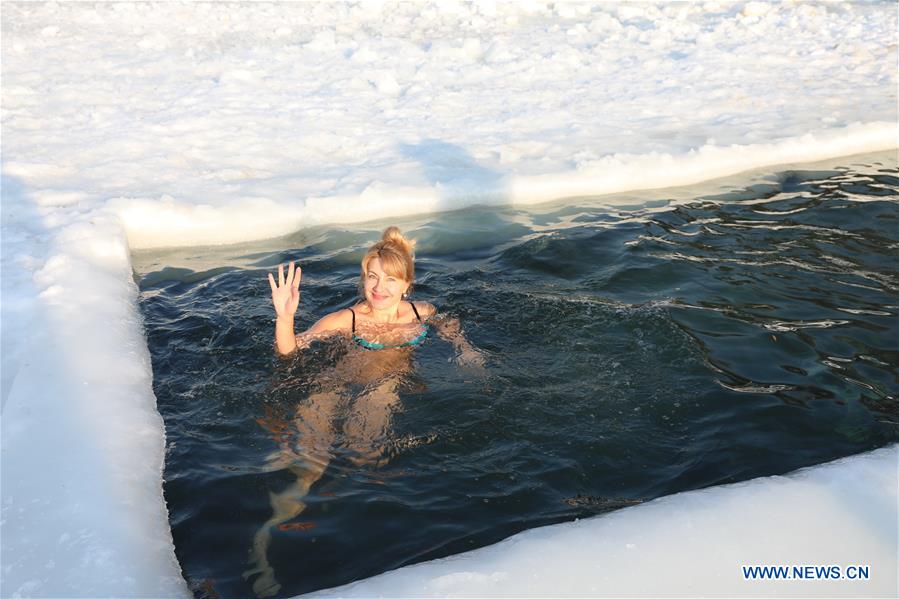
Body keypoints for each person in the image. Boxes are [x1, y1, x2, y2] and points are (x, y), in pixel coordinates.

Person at [245, 226, 483, 597]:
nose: (379, 287)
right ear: (362, 280)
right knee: (310, 465)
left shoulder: (422, 312)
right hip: (331, 387)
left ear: (407, 284)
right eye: (371, 276)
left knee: (364, 451)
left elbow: (449, 327)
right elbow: (291, 352)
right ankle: (263, 542)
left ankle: (348, 539)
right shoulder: (345, 319)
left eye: (389, 279)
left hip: (382, 388)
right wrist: (284, 317)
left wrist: (467, 351)